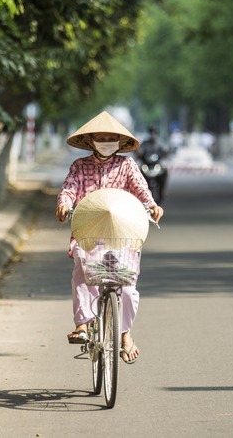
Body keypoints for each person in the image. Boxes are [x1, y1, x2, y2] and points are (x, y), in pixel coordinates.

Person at [55, 111, 164, 364]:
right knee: (82, 275)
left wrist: (152, 205)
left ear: (118, 142)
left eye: (110, 138)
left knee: (125, 286)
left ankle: (125, 333)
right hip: (88, 233)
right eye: (100, 137)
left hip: (121, 235)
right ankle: (82, 325)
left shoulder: (126, 165)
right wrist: (63, 203)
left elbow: (142, 190)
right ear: (91, 140)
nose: (105, 141)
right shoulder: (79, 166)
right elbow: (69, 189)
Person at [136, 125, 170, 202]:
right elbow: (139, 152)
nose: (153, 134)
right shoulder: (145, 143)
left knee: (165, 171)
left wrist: (165, 154)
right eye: (151, 132)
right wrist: (138, 153)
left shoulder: (161, 143)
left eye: (154, 132)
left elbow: (165, 152)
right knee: (138, 172)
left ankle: (163, 189)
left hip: (157, 164)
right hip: (146, 164)